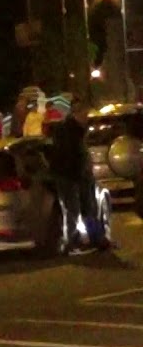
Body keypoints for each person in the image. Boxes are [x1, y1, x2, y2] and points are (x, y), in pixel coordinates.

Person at [50, 102, 109, 250]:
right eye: (85, 115)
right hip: (71, 176)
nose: (86, 118)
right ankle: (73, 240)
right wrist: (79, 172)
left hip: (77, 175)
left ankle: (90, 238)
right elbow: (71, 155)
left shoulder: (73, 130)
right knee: (74, 209)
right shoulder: (69, 131)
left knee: (86, 208)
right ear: (77, 114)